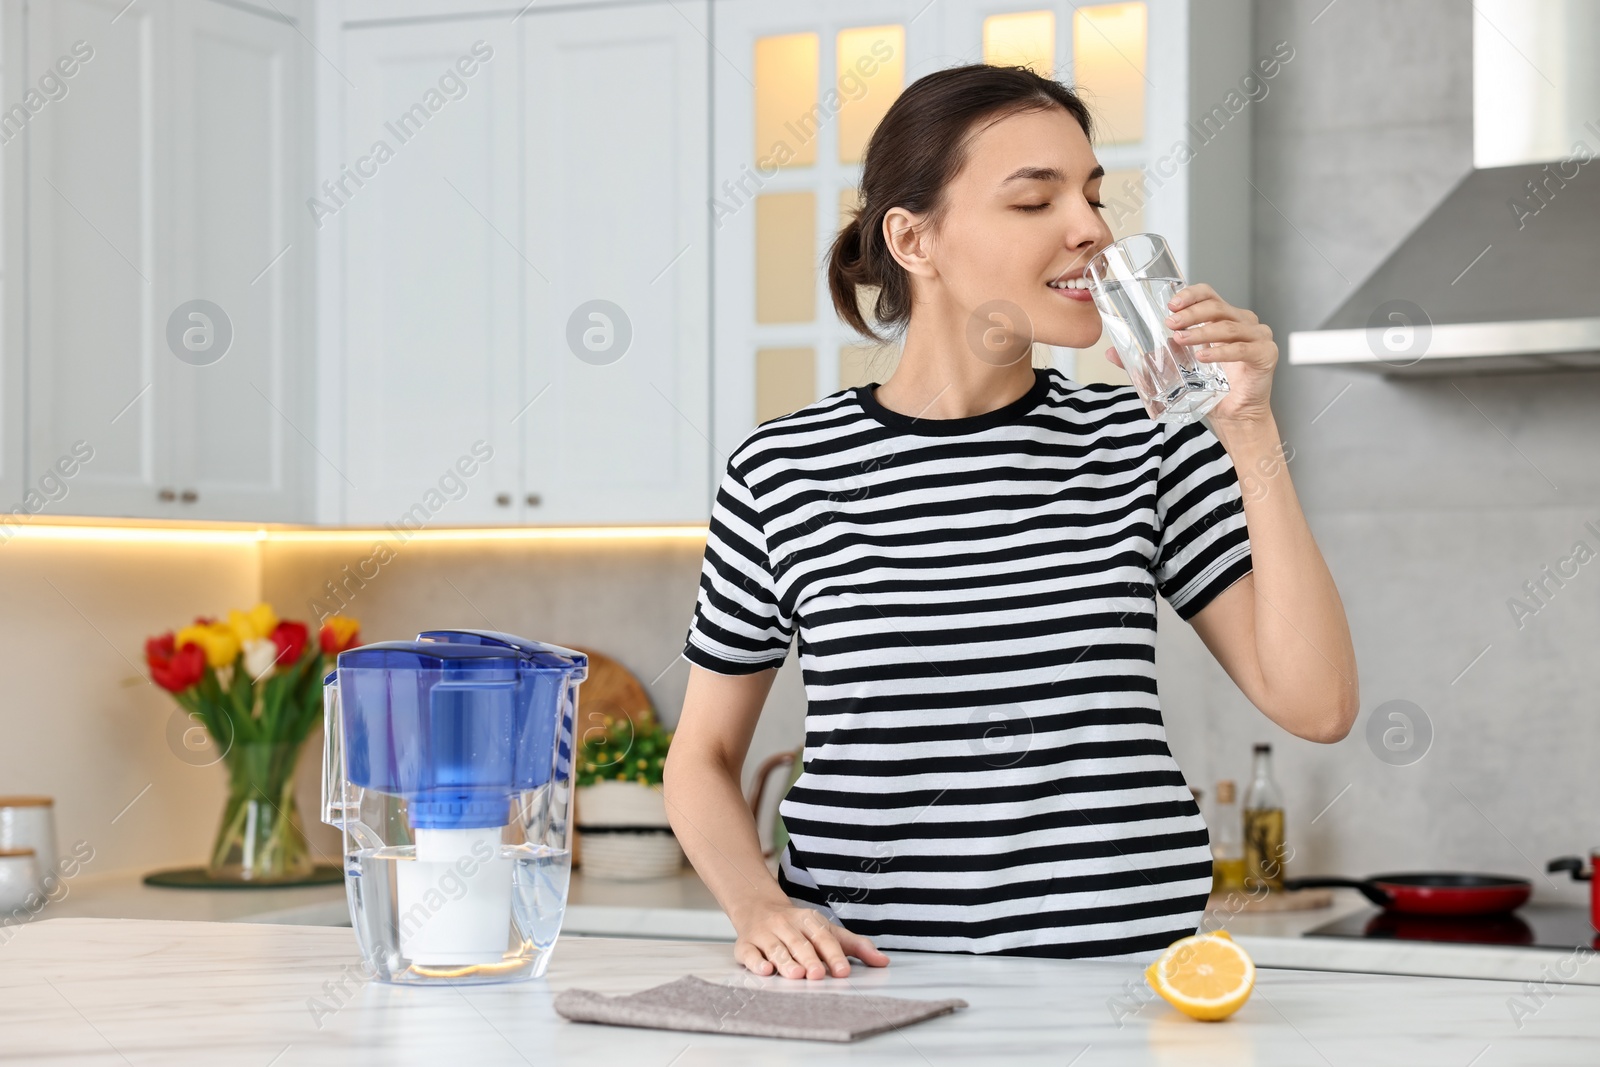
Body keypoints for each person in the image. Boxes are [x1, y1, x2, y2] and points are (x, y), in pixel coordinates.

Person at [662, 64, 1358, 980]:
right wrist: (759, 905)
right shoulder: (784, 469)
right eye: (1037, 201)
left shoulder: (1141, 443)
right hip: (869, 981)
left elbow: (1319, 704)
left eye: (1094, 194)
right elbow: (703, 755)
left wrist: (1251, 430)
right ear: (915, 239)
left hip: (1121, 978)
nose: (1092, 229)